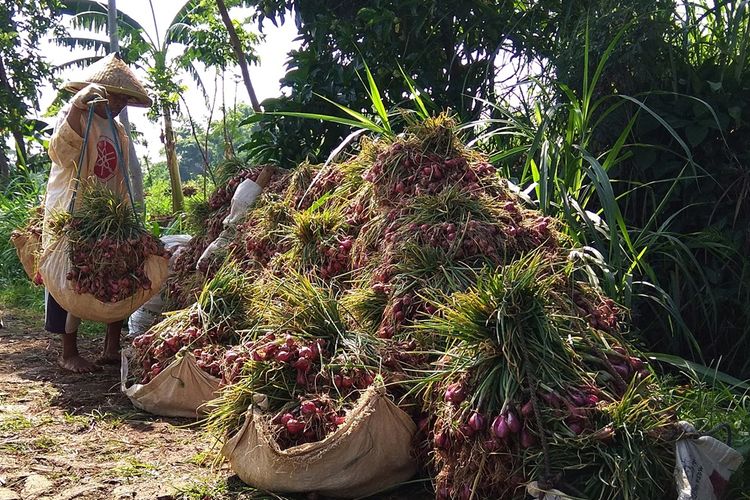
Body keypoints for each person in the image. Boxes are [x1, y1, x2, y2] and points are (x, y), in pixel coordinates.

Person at [43, 53, 152, 373]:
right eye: (114, 94)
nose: (119, 102)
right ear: (96, 90)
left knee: (120, 271)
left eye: (124, 98)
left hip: (108, 213)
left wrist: (126, 218)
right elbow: (60, 153)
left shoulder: (118, 130)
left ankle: (111, 345)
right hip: (74, 211)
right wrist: (78, 106)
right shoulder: (74, 113)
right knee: (68, 276)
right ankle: (68, 351)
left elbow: (120, 176)